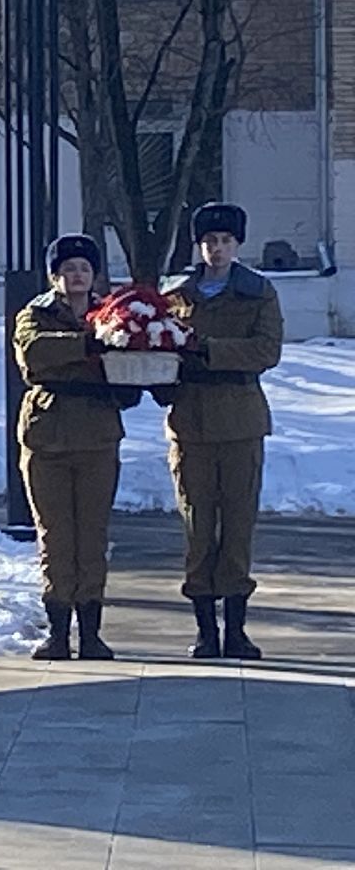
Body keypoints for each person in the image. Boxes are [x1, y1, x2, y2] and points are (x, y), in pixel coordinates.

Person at [156, 202, 283, 660]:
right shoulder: (177, 294)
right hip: (189, 420)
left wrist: (206, 349)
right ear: (199, 245)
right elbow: (159, 344)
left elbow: (266, 350)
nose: (217, 249)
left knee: (237, 526)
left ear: (238, 244)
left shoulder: (257, 292)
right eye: (210, 241)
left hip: (240, 418)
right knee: (196, 526)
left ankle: (237, 630)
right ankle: (205, 630)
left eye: (226, 241)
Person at [14, 234, 136, 661]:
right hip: (47, 435)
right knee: (55, 536)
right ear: (54, 275)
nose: (77, 275)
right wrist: (88, 345)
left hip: (97, 434)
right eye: (68, 268)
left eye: (84, 267)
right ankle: (58, 631)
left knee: (92, 535)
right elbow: (34, 354)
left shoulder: (114, 316)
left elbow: (127, 359)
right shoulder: (36, 313)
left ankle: (92, 632)